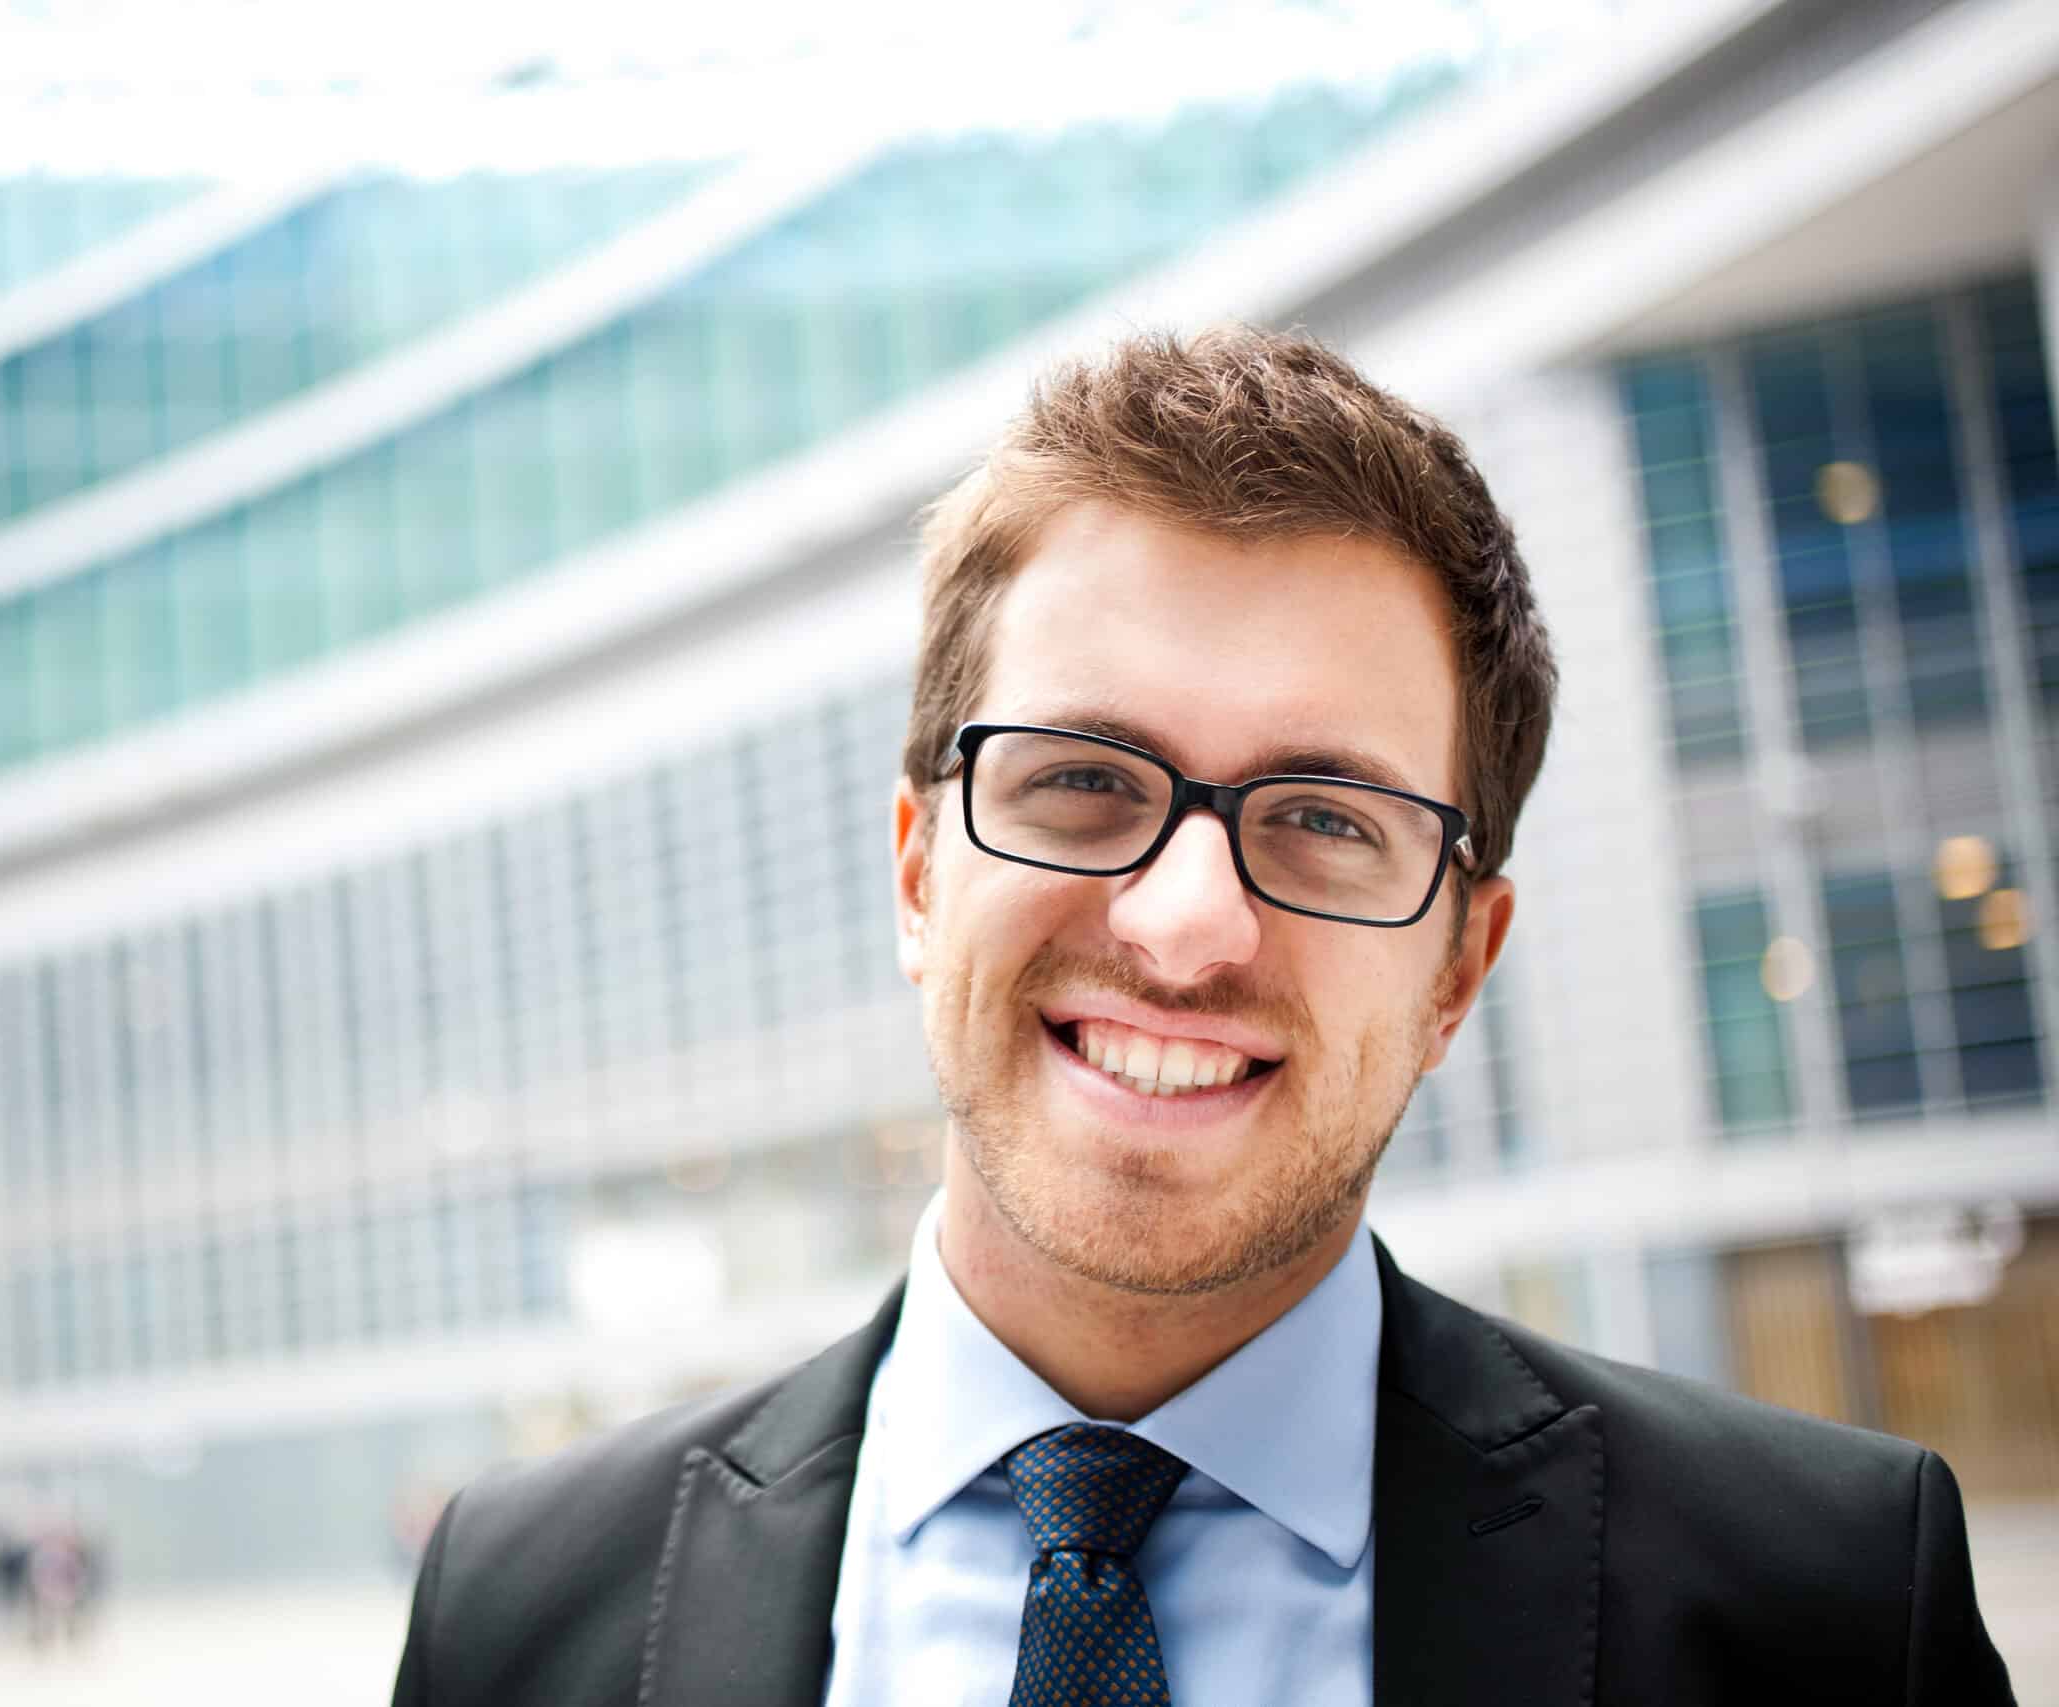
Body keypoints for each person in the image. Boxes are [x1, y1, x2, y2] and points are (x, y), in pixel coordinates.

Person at [388, 328, 2014, 1704]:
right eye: (1083, 782)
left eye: (1324, 818)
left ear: (1458, 967)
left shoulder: (1837, 1611)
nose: (1183, 926)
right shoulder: (525, 1607)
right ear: (914, 875)